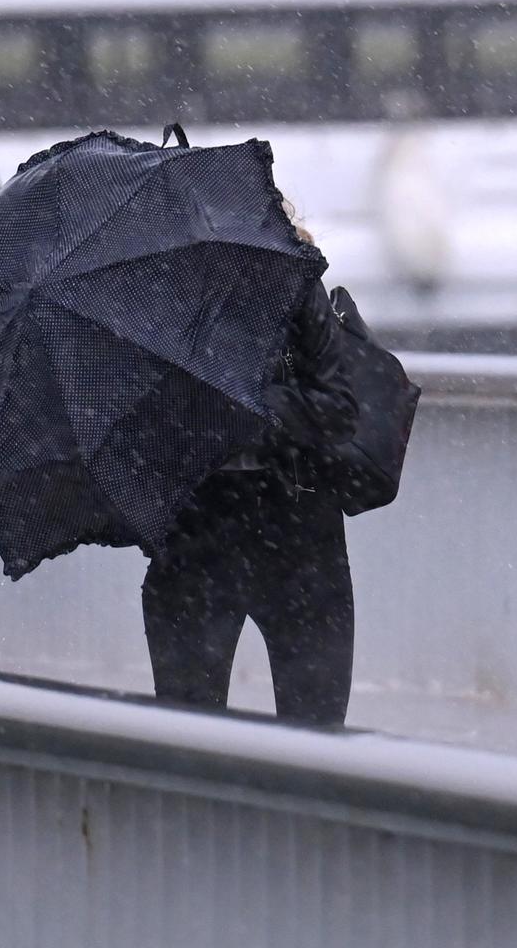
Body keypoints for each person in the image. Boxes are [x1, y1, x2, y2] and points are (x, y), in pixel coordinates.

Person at [139, 251, 360, 725]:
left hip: (296, 527)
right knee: (187, 735)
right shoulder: (154, 293)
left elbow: (338, 407)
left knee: (315, 737)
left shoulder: (292, 277)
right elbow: (137, 426)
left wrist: (245, 405)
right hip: (196, 531)